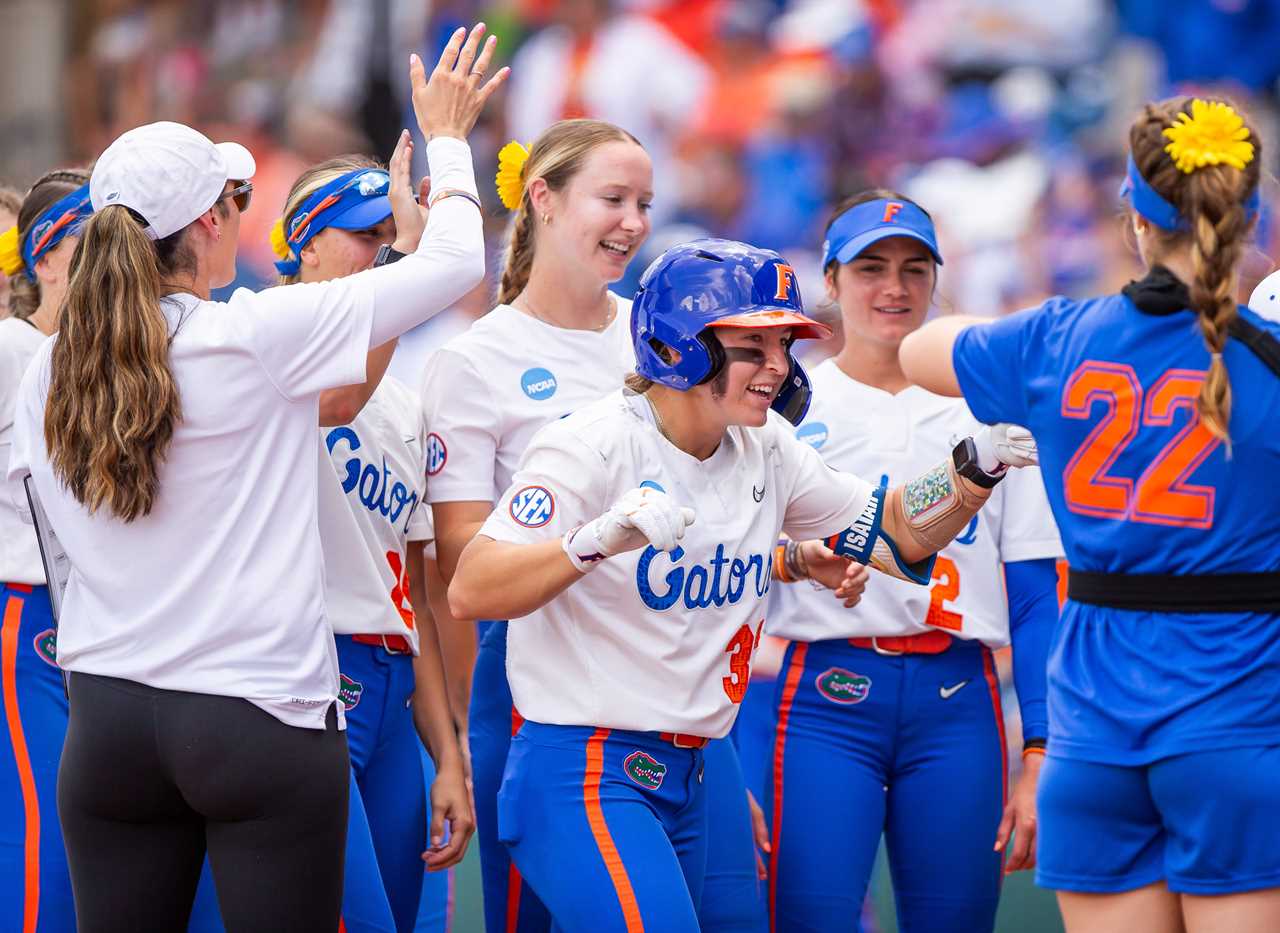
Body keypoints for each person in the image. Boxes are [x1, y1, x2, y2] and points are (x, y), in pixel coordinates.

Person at [5, 25, 505, 930]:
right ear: (204, 224)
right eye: (234, 196)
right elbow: (459, 263)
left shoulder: (51, 364)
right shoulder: (251, 334)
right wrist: (448, 139)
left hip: (110, 721)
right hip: (252, 713)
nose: (242, 209)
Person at [447, 237, 1033, 931]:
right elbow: (471, 587)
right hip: (585, 768)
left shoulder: (767, 447)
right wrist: (595, 539)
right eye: (755, 345)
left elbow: (895, 533)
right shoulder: (592, 443)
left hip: (696, 765)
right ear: (680, 344)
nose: (780, 366)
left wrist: (977, 466)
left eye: (784, 344)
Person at [899, 96, 1280, 933]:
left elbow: (914, 351)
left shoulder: (1054, 339)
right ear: (1250, 217)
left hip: (1093, 736)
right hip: (1239, 725)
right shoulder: (1267, 359)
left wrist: (1017, 339)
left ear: (1134, 222)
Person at [765, 191, 1062, 932]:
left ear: (938, 278)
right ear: (829, 281)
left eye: (913, 268)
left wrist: (1042, 747)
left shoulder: (991, 411)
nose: (893, 288)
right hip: (820, 696)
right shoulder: (785, 409)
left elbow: (1032, 595)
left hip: (958, 696)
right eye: (870, 268)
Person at [419, 117, 652, 933]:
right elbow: (462, 567)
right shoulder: (475, 357)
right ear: (543, 200)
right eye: (613, 198)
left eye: (644, 203)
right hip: (531, 683)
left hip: (668, 667)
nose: (634, 222)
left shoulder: (660, 334)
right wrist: (598, 537)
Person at [0, 167, 91, 933]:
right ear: (48, 252)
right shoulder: (9, 348)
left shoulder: (113, 347)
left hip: (99, 620)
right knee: (42, 837)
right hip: (25, 612)